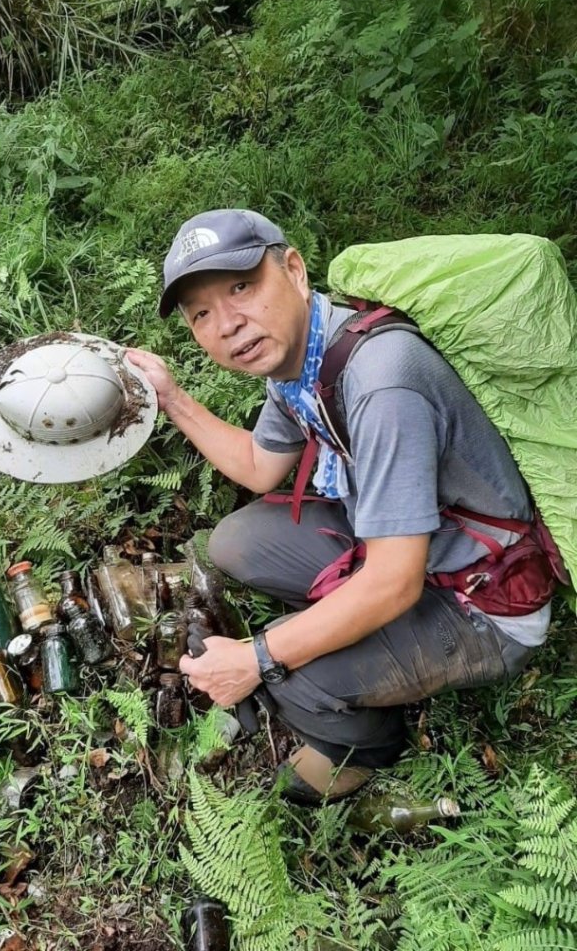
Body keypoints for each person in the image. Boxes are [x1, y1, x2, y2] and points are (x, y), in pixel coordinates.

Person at [127, 209, 554, 803]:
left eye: (242, 287)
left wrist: (258, 657)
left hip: (479, 599)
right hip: (412, 549)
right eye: (201, 313)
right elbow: (259, 465)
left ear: (295, 270)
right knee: (235, 543)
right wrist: (171, 398)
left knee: (290, 673)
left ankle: (366, 747)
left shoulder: (382, 382)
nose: (227, 323)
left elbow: (392, 585)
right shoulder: (302, 362)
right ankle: (351, 640)